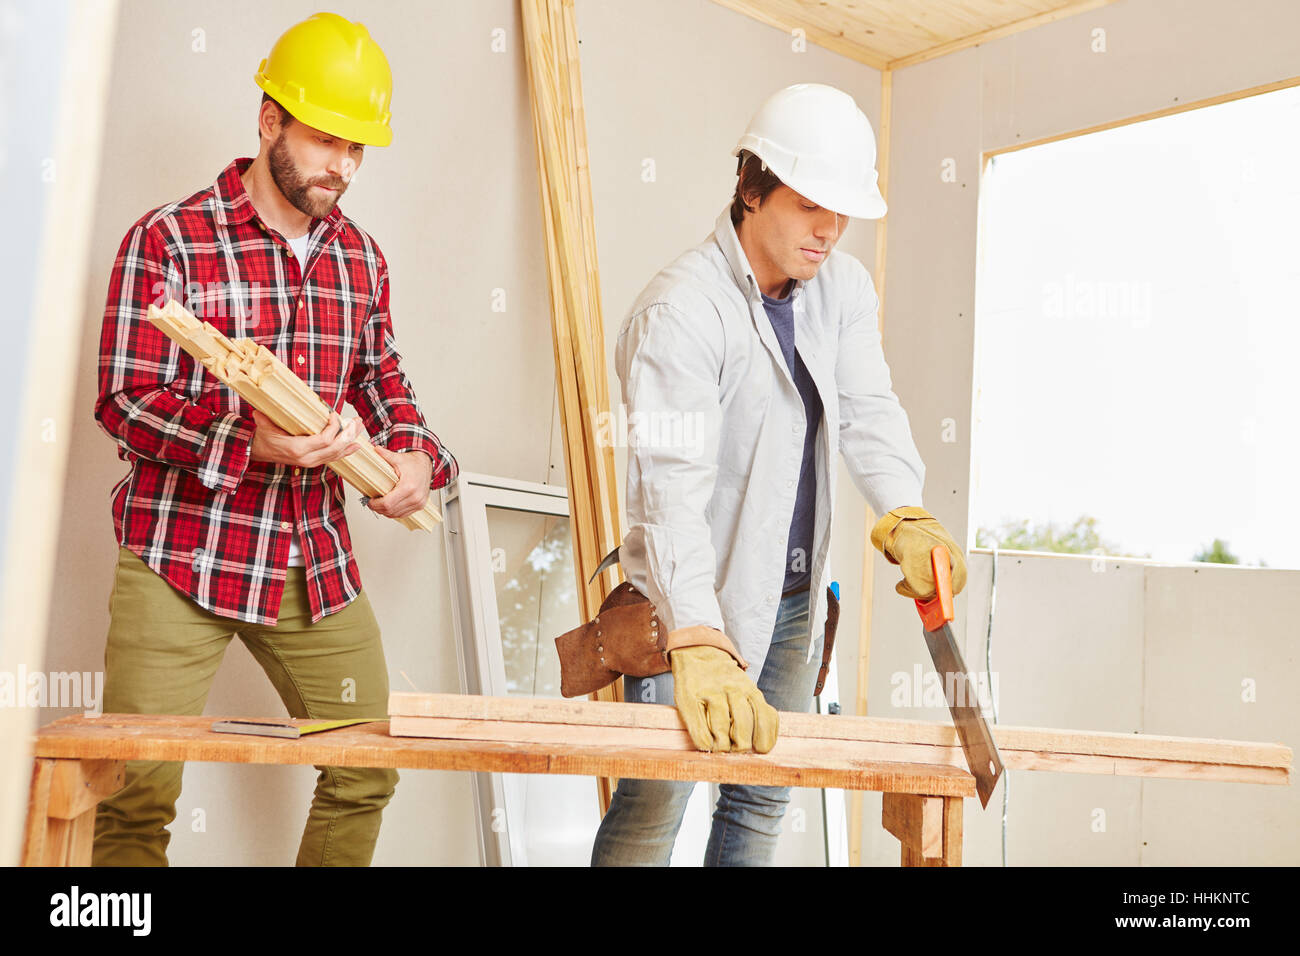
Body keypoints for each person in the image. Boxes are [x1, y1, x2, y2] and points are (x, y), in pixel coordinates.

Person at [91, 12, 457, 866]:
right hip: (182, 549)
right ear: (269, 121)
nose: (344, 167)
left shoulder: (360, 261)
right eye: (329, 141)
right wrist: (244, 440)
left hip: (307, 556)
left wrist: (415, 458)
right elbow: (124, 398)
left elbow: (385, 386)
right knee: (135, 795)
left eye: (359, 150)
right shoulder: (169, 238)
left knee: (365, 766)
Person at [590, 83, 968, 866]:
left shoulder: (842, 290)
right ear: (753, 189)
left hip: (795, 600)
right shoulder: (681, 312)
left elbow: (867, 406)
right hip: (688, 598)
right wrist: (696, 635)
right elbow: (670, 495)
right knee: (657, 796)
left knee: (761, 800)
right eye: (809, 205)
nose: (829, 231)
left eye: (843, 212)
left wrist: (907, 509)